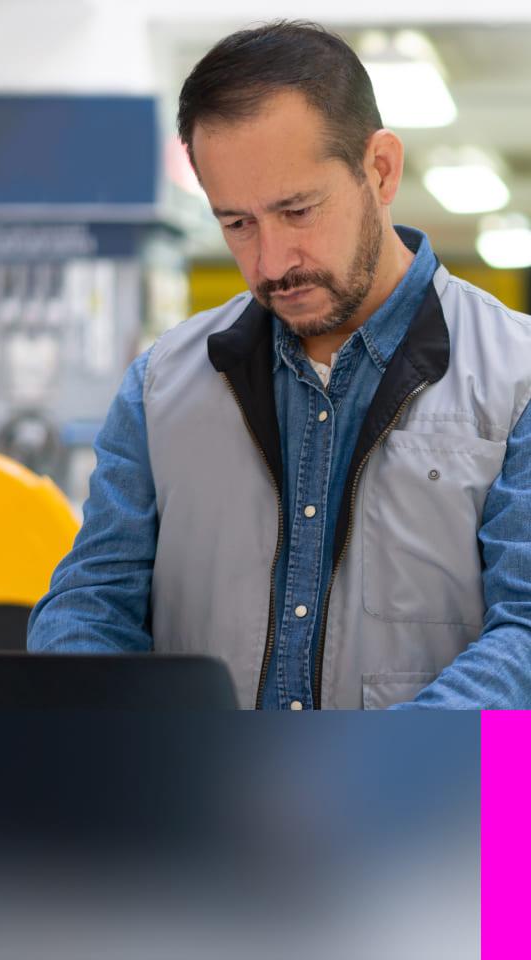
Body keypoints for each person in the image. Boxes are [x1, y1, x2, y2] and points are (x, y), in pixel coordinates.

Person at [28, 21, 531, 710]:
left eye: (298, 210)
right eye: (237, 223)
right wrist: (117, 736)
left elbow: (526, 631)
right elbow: (92, 601)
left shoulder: (519, 374)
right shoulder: (159, 385)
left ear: (380, 169)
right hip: (215, 806)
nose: (270, 264)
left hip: (482, 805)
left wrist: (381, 778)